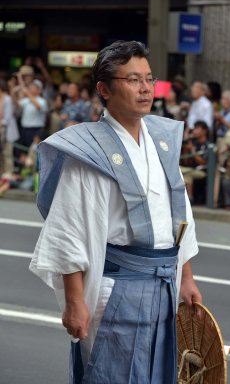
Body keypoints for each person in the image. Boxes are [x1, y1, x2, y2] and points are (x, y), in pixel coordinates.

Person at [29, 40, 202, 384]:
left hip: (164, 285)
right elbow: (69, 229)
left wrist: (186, 277)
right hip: (115, 289)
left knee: (158, 374)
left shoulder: (162, 140)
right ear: (104, 89)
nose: (145, 88)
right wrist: (74, 301)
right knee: (110, 375)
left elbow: (179, 214)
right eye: (133, 80)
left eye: (149, 79)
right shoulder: (88, 150)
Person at [181, 121, 210, 204]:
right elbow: (185, 161)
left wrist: (193, 151)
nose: (194, 131)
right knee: (186, 175)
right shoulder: (192, 142)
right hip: (190, 170)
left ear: (204, 131)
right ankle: (189, 199)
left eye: (197, 129)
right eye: (194, 129)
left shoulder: (208, 145)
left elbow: (203, 162)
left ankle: (189, 199)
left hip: (202, 171)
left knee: (184, 173)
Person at [0, 79, 19, 176]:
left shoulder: (7, 99)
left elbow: (7, 117)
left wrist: (1, 123)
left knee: (7, 153)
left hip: (7, 131)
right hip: (1, 131)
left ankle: (8, 173)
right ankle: (2, 171)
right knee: (1, 154)